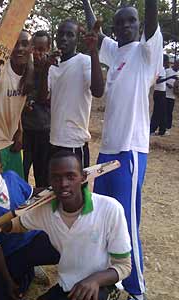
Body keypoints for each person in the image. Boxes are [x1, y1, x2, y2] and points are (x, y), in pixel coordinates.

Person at [82, 0, 162, 299]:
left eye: (132, 21)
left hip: (130, 151)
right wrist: (86, 3)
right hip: (107, 150)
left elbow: (152, 18)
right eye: (121, 23)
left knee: (128, 222)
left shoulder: (146, 52)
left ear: (139, 26)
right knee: (103, 215)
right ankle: (109, 277)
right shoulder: (115, 52)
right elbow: (96, 32)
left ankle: (135, 289)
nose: (126, 26)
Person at [0, 151, 132, 300]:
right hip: (68, 285)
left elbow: (124, 266)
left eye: (70, 176)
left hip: (103, 286)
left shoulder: (110, 208)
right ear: (50, 181)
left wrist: (94, 280)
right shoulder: (45, 210)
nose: (63, 184)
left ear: (83, 177)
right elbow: (18, 225)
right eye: (56, 178)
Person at [0, 145, 60, 300]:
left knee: (67, 248)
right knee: (8, 293)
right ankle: (27, 271)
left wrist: (55, 189)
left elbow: (33, 194)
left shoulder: (11, 177)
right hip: (13, 252)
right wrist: (7, 279)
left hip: (36, 237)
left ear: (1, 166)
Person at [46, 19, 104, 168]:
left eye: (70, 35)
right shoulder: (53, 66)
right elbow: (45, 98)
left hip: (74, 142)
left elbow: (98, 91)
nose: (64, 38)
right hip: (54, 140)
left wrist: (93, 51)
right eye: (61, 34)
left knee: (77, 189)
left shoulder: (84, 61)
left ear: (77, 40)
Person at [0, 30, 33, 178]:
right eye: (15, 44)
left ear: (31, 49)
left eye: (25, 44)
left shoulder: (28, 74)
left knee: (17, 191)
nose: (20, 48)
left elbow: (17, 105)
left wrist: (20, 130)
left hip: (11, 143)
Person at [21, 30, 52, 187]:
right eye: (34, 49)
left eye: (41, 50)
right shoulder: (23, 66)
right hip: (25, 132)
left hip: (45, 132)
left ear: (48, 49)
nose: (37, 53)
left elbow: (47, 99)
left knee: (43, 177)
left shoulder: (53, 69)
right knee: (22, 174)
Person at [150, 55, 169, 136]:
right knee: (157, 112)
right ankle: (151, 130)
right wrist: (169, 77)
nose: (167, 63)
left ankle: (162, 130)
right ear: (164, 61)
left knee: (162, 112)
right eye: (167, 61)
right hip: (158, 93)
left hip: (162, 92)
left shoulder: (162, 69)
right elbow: (158, 81)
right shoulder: (160, 68)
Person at [165, 60, 179, 135]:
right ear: (175, 64)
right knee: (163, 111)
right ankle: (161, 127)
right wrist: (167, 85)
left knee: (169, 112)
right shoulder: (167, 71)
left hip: (172, 96)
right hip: (164, 94)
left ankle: (168, 128)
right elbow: (162, 81)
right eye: (178, 64)